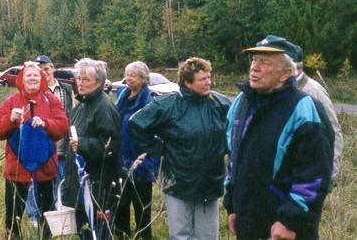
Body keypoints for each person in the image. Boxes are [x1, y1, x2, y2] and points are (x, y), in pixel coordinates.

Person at [225, 35, 332, 240]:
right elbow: (234, 157)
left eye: (264, 62)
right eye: (254, 60)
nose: (254, 68)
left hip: (285, 227)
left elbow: (315, 173)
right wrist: (232, 205)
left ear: (285, 74)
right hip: (248, 219)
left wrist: (291, 221)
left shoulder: (304, 109)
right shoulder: (241, 103)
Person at [130, 57, 230, 240]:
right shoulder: (169, 103)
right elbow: (137, 123)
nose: (208, 82)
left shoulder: (220, 103)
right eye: (202, 79)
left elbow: (235, 129)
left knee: (207, 236)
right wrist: (158, 148)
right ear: (187, 82)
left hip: (210, 182)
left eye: (209, 77)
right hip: (178, 181)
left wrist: (224, 148)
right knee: (180, 235)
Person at [0, 61, 69, 239]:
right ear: (21, 79)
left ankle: (46, 237)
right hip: (16, 169)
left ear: (41, 78)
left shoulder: (51, 100)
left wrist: (46, 123)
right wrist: (10, 120)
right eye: (28, 75)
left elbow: (62, 127)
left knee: (46, 214)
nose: (32, 78)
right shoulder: (11, 101)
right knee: (13, 217)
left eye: (36, 75)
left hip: (45, 170)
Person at [60, 58, 121, 240]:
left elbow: (110, 146)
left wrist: (84, 144)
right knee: (84, 231)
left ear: (100, 82)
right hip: (79, 183)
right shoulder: (82, 105)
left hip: (98, 186)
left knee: (99, 233)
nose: (80, 82)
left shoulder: (104, 107)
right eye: (79, 78)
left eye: (86, 79)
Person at [23, 54, 74, 226]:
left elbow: (69, 115)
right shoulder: (36, 91)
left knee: (60, 181)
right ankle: (33, 215)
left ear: (52, 68)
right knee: (33, 182)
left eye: (46, 69)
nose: (44, 73)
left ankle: (55, 214)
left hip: (63, 145)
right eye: (40, 70)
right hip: (41, 146)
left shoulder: (66, 88)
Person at [114, 61, 159, 240]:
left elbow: (154, 138)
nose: (128, 79)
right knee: (121, 205)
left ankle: (143, 236)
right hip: (121, 162)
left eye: (132, 75)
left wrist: (148, 164)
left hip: (142, 164)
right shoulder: (122, 97)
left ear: (143, 78)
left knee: (142, 208)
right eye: (127, 74)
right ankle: (122, 235)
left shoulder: (149, 103)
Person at [289, 44, 343, 181]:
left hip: (309, 176)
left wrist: (331, 173)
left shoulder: (314, 91)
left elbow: (334, 131)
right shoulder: (278, 90)